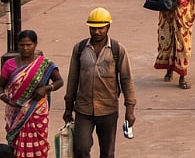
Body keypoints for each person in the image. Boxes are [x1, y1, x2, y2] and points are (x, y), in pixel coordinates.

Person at [63, 8, 136, 158]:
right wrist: (68, 108)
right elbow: (73, 79)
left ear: (108, 27)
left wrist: (130, 110)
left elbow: (126, 79)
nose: (96, 32)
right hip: (83, 109)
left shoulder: (117, 49)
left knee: (107, 153)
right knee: (81, 148)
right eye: (93, 28)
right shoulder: (80, 49)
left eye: (100, 28)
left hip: (108, 109)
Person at [1, 29, 63, 158]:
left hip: (37, 112)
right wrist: (4, 97)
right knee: (16, 148)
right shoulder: (9, 65)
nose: (25, 48)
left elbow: (59, 81)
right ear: (17, 45)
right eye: (22, 45)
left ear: (35, 44)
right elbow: (0, 86)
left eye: (29, 45)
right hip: (16, 113)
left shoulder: (44, 64)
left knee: (38, 146)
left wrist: (46, 88)